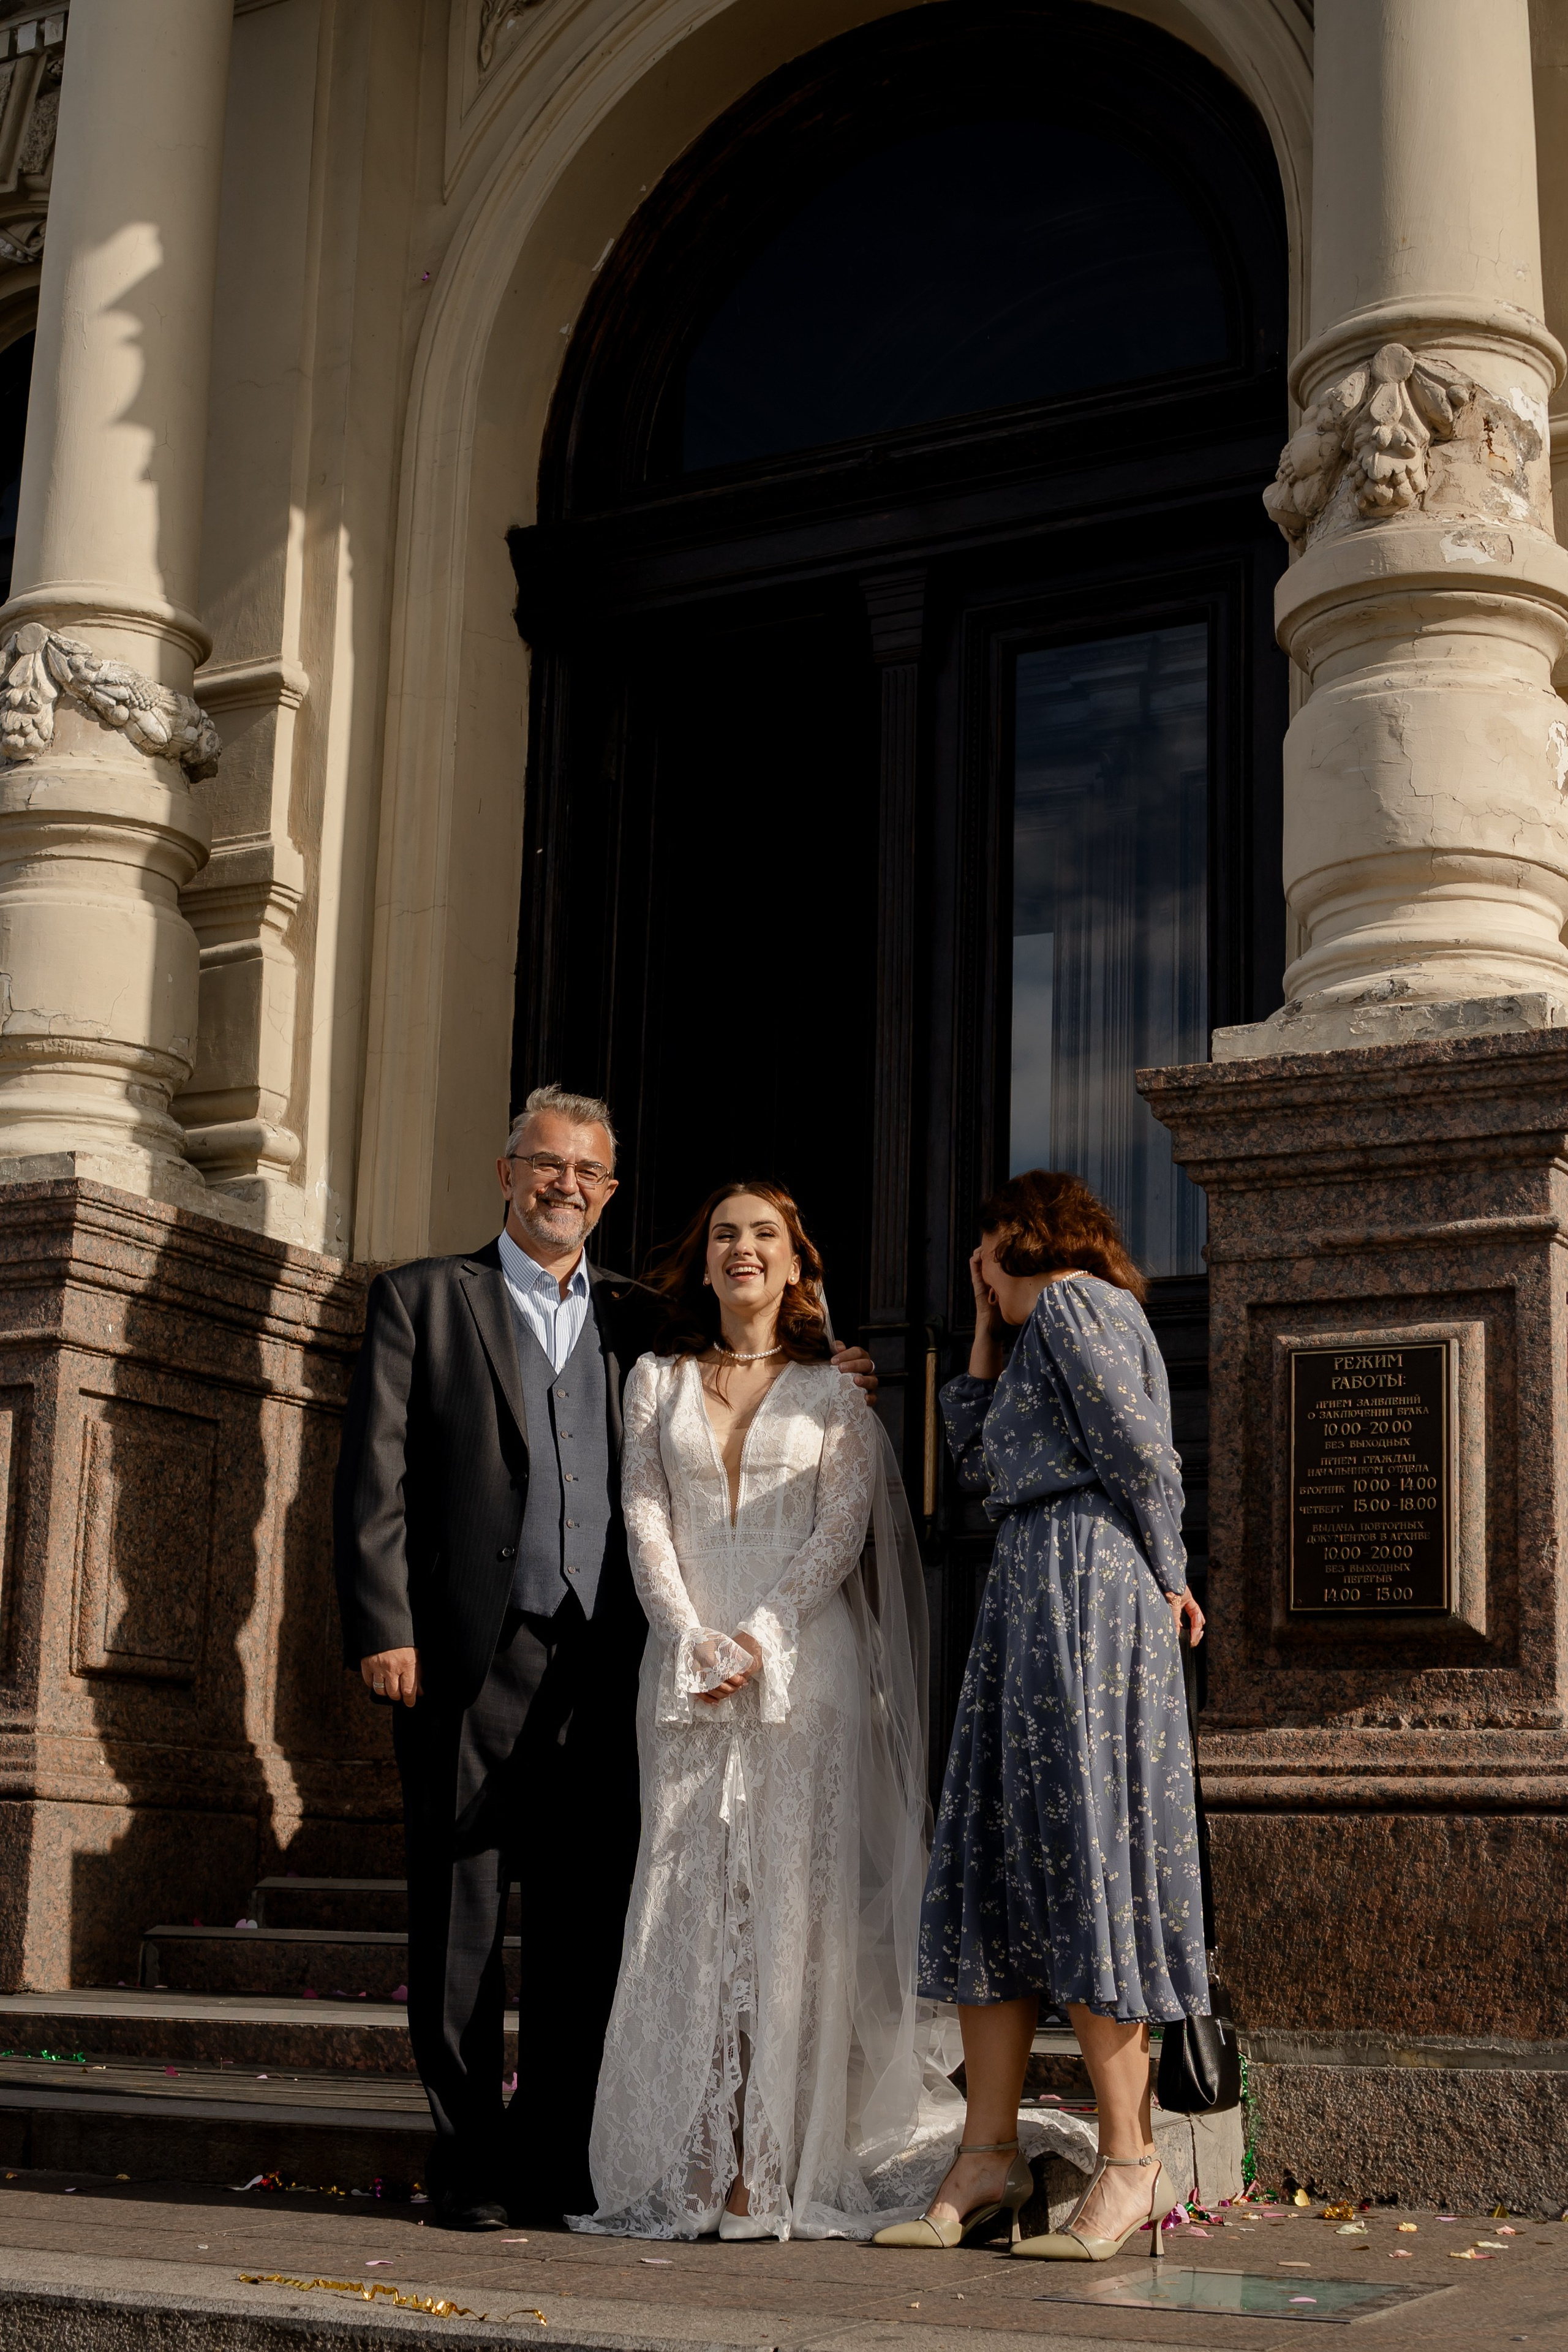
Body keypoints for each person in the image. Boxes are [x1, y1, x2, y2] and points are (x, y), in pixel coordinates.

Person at [332, 1087, 878, 2229]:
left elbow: (747, 1368)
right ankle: (468, 2161)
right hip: (469, 1653)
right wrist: (384, 1626)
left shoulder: (638, 1319)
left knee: (587, 1924)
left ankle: (556, 2157)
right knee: (463, 1917)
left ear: (610, 1192)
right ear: (507, 1171)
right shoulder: (425, 1299)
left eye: (587, 1172)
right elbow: (372, 1480)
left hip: (607, 1665)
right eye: (546, 1165)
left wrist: (843, 1370)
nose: (565, 1186)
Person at [574, 1180, 946, 2241]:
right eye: (727, 1236)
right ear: (706, 1263)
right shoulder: (655, 1379)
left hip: (800, 1675)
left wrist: (761, 1637)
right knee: (687, 1910)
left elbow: (839, 1536)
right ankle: (692, 2161)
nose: (744, 1250)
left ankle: (768, 2172)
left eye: (766, 1237)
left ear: (795, 1265)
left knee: (791, 1914)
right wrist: (689, 1631)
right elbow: (643, 1512)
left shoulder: (838, 1391)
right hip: (683, 1669)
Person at [874, 1170, 1208, 2261]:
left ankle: (1130, 2158)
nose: (975, 1270)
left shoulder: (1070, 1304)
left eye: (982, 1251)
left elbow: (1144, 1451)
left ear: (1012, 1239)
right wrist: (980, 1331)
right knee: (1002, 1861)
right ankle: (986, 2156)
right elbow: (971, 1458)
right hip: (1031, 1588)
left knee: (1081, 1855)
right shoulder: (1037, 1334)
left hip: (1081, 1588)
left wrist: (1169, 1574)